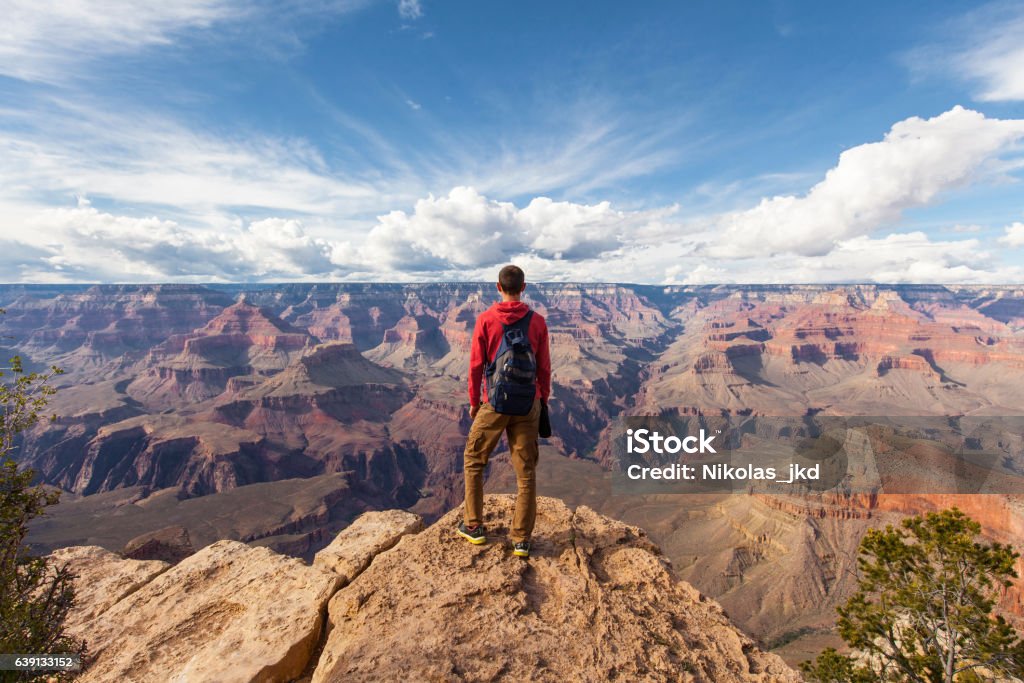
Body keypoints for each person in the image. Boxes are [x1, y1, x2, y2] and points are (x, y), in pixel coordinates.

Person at [458, 265, 551, 558]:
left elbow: (475, 365)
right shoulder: (537, 322)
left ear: (498, 287)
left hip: (494, 404)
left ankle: (474, 526)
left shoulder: (485, 319)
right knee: (526, 474)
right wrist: (542, 400)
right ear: (523, 287)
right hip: (528, 404)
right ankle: (521, 539)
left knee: (474, 459)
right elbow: (545, 368)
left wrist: (475, 401)